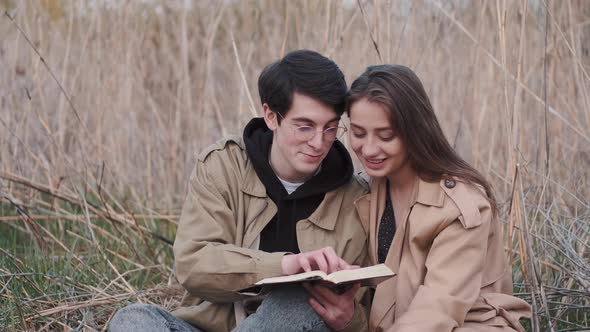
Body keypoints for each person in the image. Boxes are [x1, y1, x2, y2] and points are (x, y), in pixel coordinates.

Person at [108, 50, 369, 332]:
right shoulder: (222, 166)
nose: (318, 143)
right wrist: (283, 265)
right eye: (304, 127)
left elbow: (363, 307)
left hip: (291, 324)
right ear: (271, 116)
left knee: (296, 303)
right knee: (133, 319)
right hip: (205, 328)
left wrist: (349, 318)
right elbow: (193, 264)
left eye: (330, 128)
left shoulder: (356, 199)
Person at [309, 64, 532, 331]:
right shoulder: (371, 189)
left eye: (386, 136)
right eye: (358, 133)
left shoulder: (460, 208)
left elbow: (436, 311)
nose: (368, 149)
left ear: (415, 131)